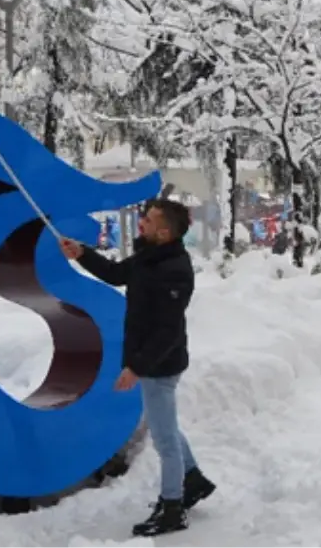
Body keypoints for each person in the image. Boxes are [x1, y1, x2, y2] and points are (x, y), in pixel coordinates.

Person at [60, 198, 215, 537]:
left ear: (164, 231)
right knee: (166, 425)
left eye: (148, 219)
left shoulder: (174, 269)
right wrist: (82, 253)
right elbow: (117, 274)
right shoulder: (150, 255)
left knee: (164, 439)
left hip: (160, 364)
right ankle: (194, 480)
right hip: (150, 360)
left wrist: (138, 368)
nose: (141, 222)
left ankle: (172, 507)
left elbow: (168, 331)